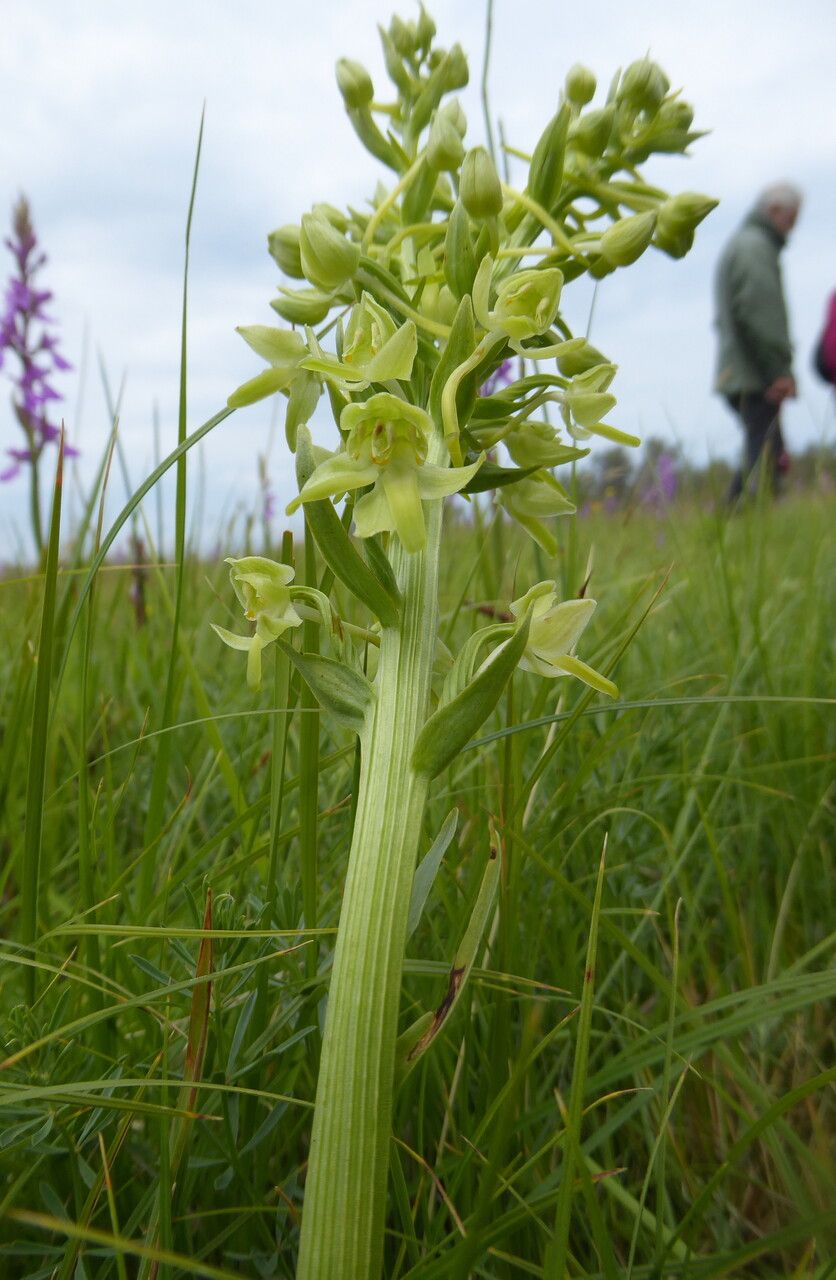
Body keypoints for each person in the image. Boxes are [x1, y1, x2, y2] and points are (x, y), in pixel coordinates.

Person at [714, 181, 802, 501]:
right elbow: (758, 314)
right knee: (766, 457)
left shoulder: (746, 243)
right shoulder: (755, 247)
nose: (790, 230)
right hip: (753, 374)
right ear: (774, 210)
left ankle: (735, 525)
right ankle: (736, 522)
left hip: (744, 371)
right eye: (790, 220)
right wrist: (778, 370)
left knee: (765, 451)